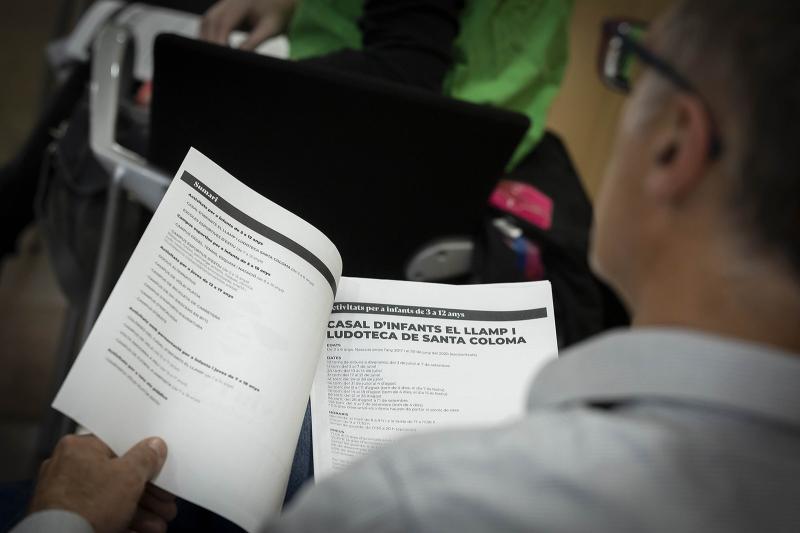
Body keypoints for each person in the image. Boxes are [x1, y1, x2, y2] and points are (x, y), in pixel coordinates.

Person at [12, 0, 800, 531]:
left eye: (632, 65)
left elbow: (411, 57)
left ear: (675, 144)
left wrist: (62, 519)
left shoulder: (405, 500)